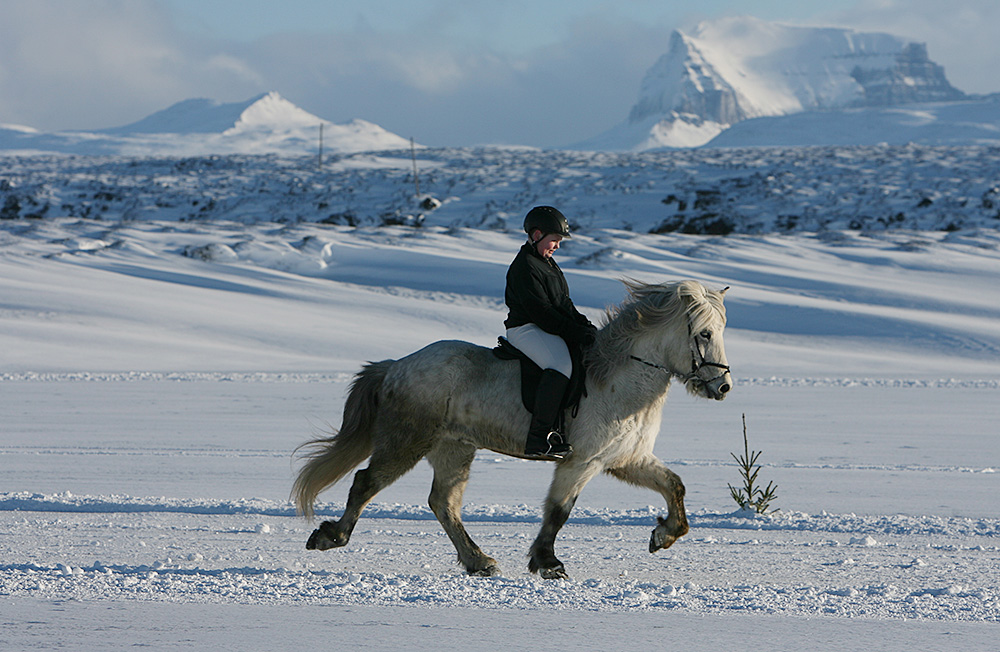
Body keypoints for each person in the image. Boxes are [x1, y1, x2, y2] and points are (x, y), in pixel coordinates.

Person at [504, 206, 597, 461]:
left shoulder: (548, 264)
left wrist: (585, 326)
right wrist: (574, 332)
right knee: (560, 365)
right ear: (536, 235)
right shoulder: (525, 267)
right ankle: (538, 439)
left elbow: (564, 303)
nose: (557, 246)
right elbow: (542, 313)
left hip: (545, 326)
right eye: (554, 240)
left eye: (559, 241)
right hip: (525, 329)